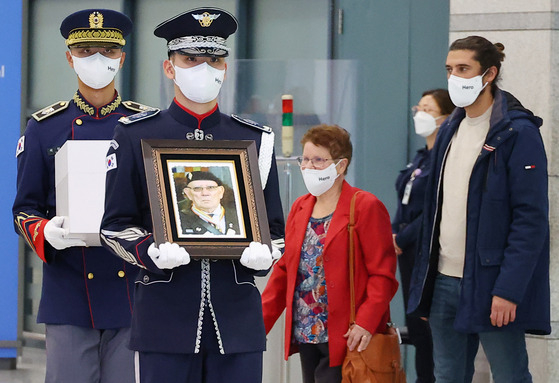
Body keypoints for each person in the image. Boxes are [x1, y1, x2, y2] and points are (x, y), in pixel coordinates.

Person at [99, 7, 285, 383]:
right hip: (164, 317)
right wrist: (149, 250)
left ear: (225, 67)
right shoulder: (134, 135)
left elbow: (276, 227)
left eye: (214, 59)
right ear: (170, 68)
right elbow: (114, 226)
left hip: (236, 320)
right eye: (190, 59)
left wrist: (266, 252)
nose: (204, 68)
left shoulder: (253, 139)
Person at [12, 8, 149, 383]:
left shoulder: (145, 125)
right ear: (70, 57)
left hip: (133, 290)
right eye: (86, 51)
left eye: (107, 52)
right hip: (70, 291)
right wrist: (46, 231)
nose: (97, 60)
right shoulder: (44, 127)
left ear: (121, 57)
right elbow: (23, 211)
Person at [407, 36, 550, 383]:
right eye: (449, 69)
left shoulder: (518, 132)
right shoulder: (449, 130)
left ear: (489, 74)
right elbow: (435, 209)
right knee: (447, 376)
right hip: (443, 282)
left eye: (463, 69)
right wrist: (426, 286)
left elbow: (530, 221)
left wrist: (508, 290)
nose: (454, 77)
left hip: (492, 284)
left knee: (510, 375)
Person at [261, 124, 399, 383]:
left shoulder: (365, 206)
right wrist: (260, 321)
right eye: (305, 159)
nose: (308, 167)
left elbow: (383, 275)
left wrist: (366, 323)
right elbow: (285, 270)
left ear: (341, 165)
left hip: (347, 335)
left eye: (318, 160)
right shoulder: (300, 207)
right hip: (306, 331)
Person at [392, 89, 454, 383]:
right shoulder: (419, 158)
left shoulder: (444, 158)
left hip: (425, 249)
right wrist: (393, 233)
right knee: (415, 325)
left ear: (445, 117)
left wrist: (402, 239)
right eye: (419, 107)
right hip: (405, 250)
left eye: (428, 109)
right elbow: (403, 201)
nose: (420, 115)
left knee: (428, 325)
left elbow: (435, 209)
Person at [178, 171, 240, 235]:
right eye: (197, 189)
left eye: (211, 188)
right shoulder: (178, 221)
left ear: (221, 191)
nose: (205, 193)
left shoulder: (239, 217)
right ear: (188, 193)